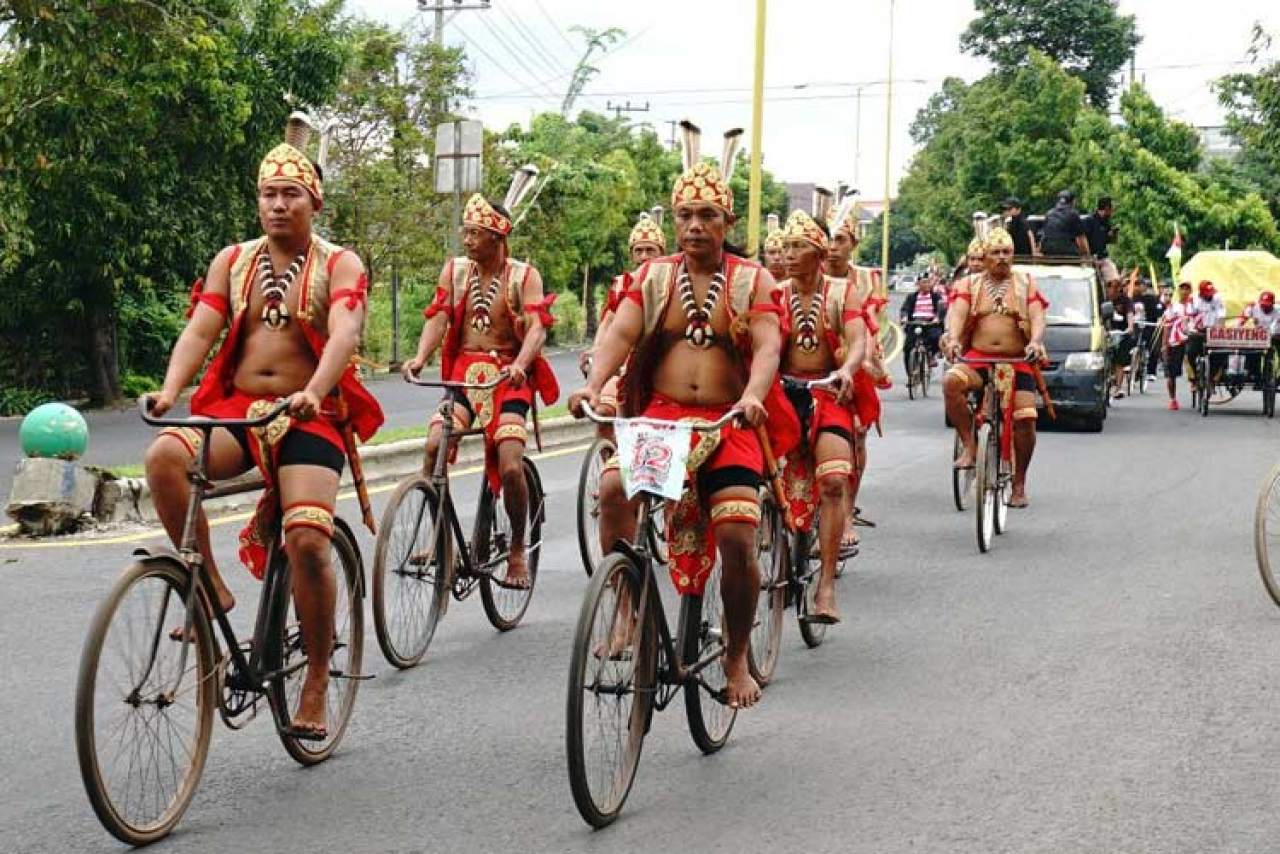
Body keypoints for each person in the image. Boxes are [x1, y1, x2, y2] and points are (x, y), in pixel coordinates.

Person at [143, 114, 384, 740]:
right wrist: (170, 391)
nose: (277, 205)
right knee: (165, 459)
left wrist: (313, 390)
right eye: (268, 195)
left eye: (290, 194)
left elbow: (345, 336)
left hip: (310, 418)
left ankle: (315, 679)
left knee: (307, 540)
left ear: (314, 201)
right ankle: (213, 591)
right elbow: (202, 328)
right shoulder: (233, 260)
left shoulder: (342, 263)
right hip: (239, 414)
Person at [570, 133, 798, 709]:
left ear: (725, 222)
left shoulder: (753, 281)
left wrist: (752, 397)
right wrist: (593, 385)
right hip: (664, 421)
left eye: (706, 216)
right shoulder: (652, 280)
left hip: (729, 423)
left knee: (737, 535)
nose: (694, 225)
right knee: (614, 486)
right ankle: (625, 606)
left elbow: (769, 347)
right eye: (684, 215)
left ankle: (737, 653)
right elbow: (618, 335)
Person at [404, 176, 559, 590]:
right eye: (466, 233)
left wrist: (522, 365)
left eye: (475, 233)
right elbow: (437, 316)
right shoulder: (455, 272)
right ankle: (440, 538)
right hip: (464, 377)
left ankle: (517, 548)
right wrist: (420, 357)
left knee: (510, 462)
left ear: (497, 237)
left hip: (508, 377)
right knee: (435, 444)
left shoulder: (524, 276)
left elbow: (537, 329)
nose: (468, 240)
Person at [776, 210, 867, 622]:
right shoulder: (773, 294)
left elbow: (857, 337)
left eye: (797, 247)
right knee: (762, 483)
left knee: (832, 480)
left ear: (816, 252)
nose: (788, 255)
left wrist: (847, 371)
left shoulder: (841, 293)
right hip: (781, 395)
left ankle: (826, 585)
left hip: (828, 392)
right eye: (785, 247)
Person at [943, 227, 1050, 508]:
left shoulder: (1026, 283)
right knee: (951, 383)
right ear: (985, 256)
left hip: (1017, 361)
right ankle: (970, 446)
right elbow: (957, 314)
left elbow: (1038, 315)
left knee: (1025, 418)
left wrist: (1036, 342)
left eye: (1006, 252)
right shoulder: (970, 284)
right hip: (978, 358)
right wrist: (953, 339)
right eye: (995, 253)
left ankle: (1019, 483)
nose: (1001, 258)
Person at [824, 204, 884, 537]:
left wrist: (868, 358)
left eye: (841, 239)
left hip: (854, 361)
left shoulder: (865, 279)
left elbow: (869, 323)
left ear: (852, 244)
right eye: (829, 239)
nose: (833, 246)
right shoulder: (806, 272)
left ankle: (846, 514)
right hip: (812, 366)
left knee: (858, 433)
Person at [581, 210, 667, 439]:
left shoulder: (674, 282)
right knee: (604, 412)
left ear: (662, 254)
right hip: (625, 363)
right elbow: (609, 322)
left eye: (650, 250)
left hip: (663, 368)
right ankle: (611, 463)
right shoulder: (621, 284)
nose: (644, 256)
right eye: (639, 250)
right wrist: (598, 350)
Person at [900, 270, 945, 378]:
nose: (926, 285)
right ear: (918, 284)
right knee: (907, 347)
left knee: (936, 337)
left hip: (930, 324)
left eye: (928, 282)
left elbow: (941, 309)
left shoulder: (936, 297)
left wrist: (937, 318)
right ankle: (910, 374)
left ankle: (931, 355)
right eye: (924, 282)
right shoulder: (911, 297)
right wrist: (904, 317)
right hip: (915, 323)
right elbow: (905, 309)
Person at [1162, 281, 1195, 410]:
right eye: (1182, 289)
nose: (1184, 291)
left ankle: (1195, 381)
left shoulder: (1195, 306)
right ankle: (1172, 399)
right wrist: (1164, 345)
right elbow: (1167, 327)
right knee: (1171, 373)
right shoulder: (1173, 307)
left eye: (1187, 289)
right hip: (1175, 341)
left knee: (1192, 357)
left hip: (1192, 338)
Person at [1239, 290, 1280, 381]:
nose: (1265, 307)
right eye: (1263, 305)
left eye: (1267, 305)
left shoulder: (1278, 310)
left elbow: (1275, 327)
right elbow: (1241, 320)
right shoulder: (1253, 307)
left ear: (1272, 304)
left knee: (1270, 353)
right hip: (1259, 337)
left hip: (1276, 335)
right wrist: (1239, 326)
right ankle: (1254, 374)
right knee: (1253, 352)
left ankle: (1272, 376)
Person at [1105, 277, 1135, 399]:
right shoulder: (1104, 300)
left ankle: (1118, 388)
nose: (1110, 291)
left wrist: (1129, 328)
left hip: (1121, 335)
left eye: (1112, 288)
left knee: (1119, 361)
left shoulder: (1126, 301)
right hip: (1106, 334)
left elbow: (1130, 318)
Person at [1039, 190, 1089, 258]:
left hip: (1048, 252)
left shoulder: (1048, 213)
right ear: (1072, 201)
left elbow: (1044, 236)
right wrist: (1087, 255)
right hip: (1067, 253)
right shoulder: (1073, 214)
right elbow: (1081, 238)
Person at [1133, 278, 1165, 381]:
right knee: (1134, 346)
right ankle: (1135, 370)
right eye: (1136, 285)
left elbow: (1159, 311)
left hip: (1150, 325)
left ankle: (1152, 372)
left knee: (1153, 348)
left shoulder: (1152, 299)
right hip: (1137, 325)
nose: (1138, 287)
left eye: (1140, 285)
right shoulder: (1133, 298)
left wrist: (1159, 320)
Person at [1083, 196, 1119, 284]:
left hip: (1103, 257)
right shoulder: (1089, 221)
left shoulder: (1106, 223)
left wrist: (1113, 235)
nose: (1112, 212)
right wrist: (1088, 256)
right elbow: (1082, 239)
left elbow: (1110, 241)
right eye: (1112, 208)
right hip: (1090, 258)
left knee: (1115, 280)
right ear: (1107, 208)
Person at [762, 214, 786, 282]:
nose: (777, 258)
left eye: (781, 252)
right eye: (771, 252)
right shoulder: (756, 282)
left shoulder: (797, 286)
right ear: (764, 255)